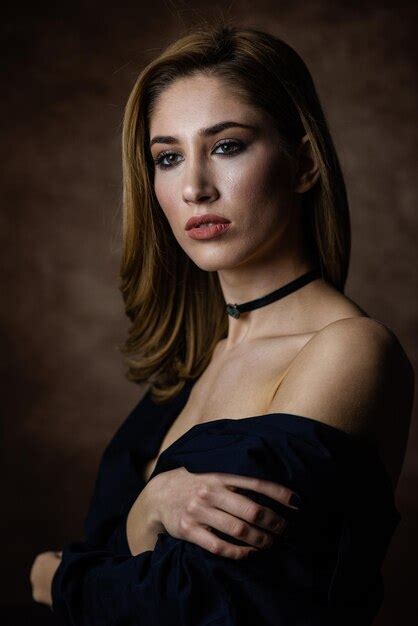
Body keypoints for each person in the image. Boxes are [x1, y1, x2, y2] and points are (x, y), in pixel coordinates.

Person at [30, 20, 414, 625]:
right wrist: (145, 513)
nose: (194, 188)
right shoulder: (193, 363)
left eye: (227, 145)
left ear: (305, 163)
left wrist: (58, 577)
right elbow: (142, 570)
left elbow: (203, 603)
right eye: (168, 157)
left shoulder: (349, 350)